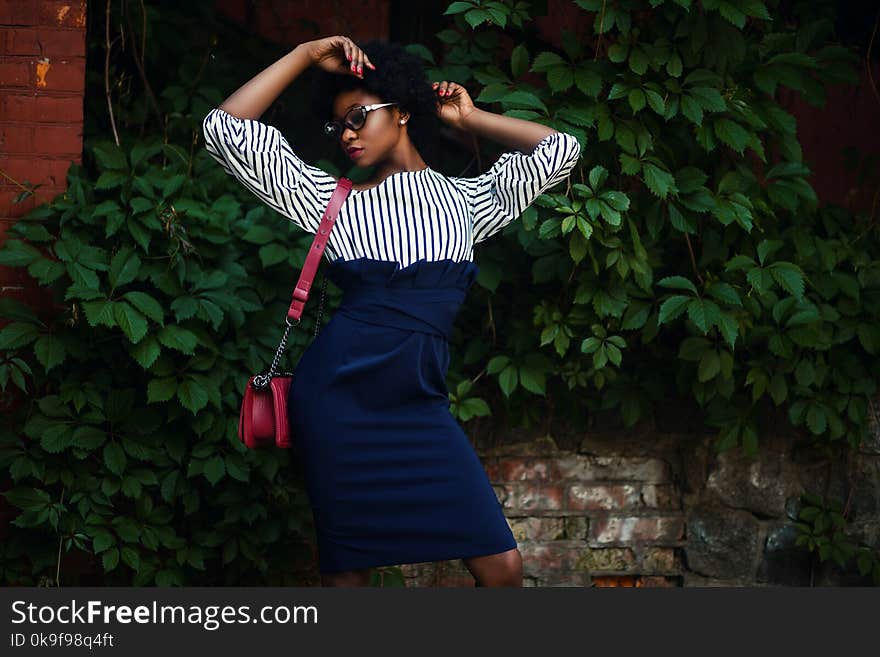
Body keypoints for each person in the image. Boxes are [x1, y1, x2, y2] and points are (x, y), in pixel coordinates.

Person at [201, 35, 581, 587]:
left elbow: (561, 149)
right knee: (348, 571)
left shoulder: (471, 203)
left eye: (358, 115)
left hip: (419, 405)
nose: (348, 133)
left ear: (402, 111)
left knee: (502, 569)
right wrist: (308, 55)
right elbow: (223, 129)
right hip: (337, 401)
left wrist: (471, 119)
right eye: (338, 125)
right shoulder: (323, 198)